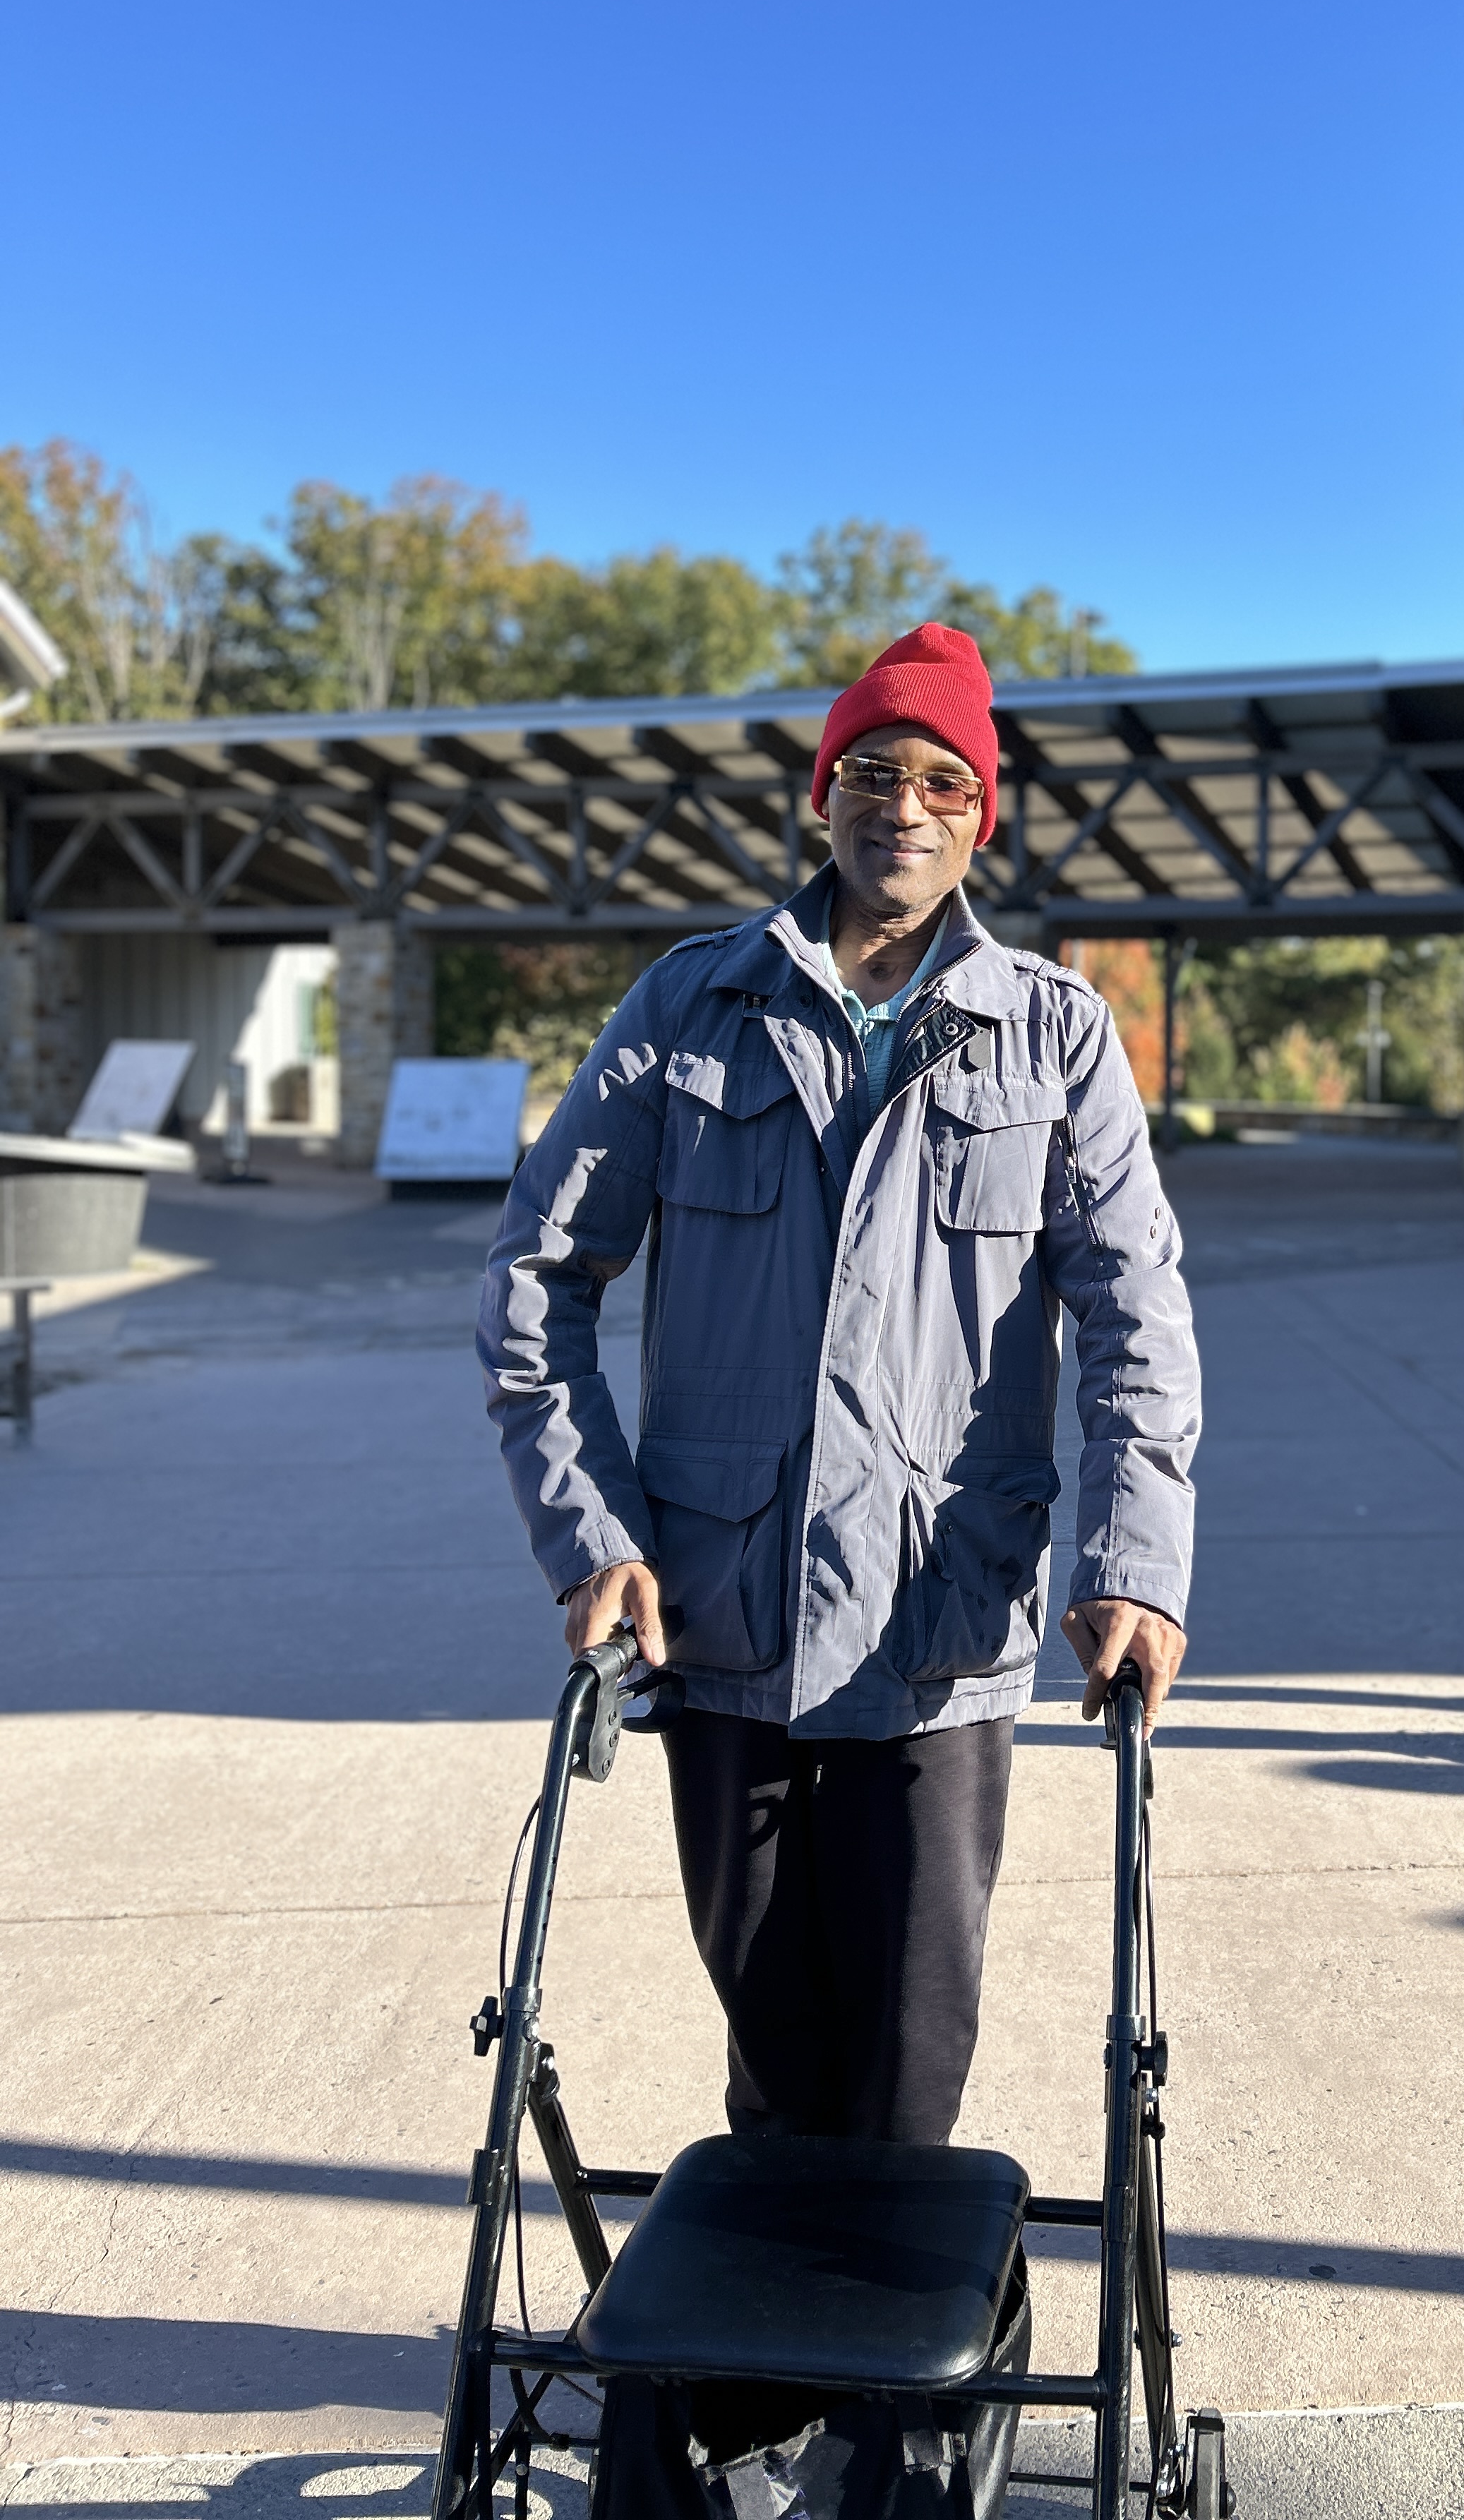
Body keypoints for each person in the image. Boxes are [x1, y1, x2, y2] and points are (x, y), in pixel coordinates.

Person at [478, 618, 1200, 2151]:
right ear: (824, 794)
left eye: (945, 781)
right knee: (771, 2042)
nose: (906, 805)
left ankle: (893, 2304)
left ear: (981, 816)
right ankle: (773, 2292)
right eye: (873, 770)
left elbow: (1136, 1313)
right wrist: (590, 1535)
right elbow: (538, 1276)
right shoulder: (691, 1007)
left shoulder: (1055, 1034)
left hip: (939, 1622)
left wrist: (1136, 1561)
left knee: (909, 2059)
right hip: (721, 1613)